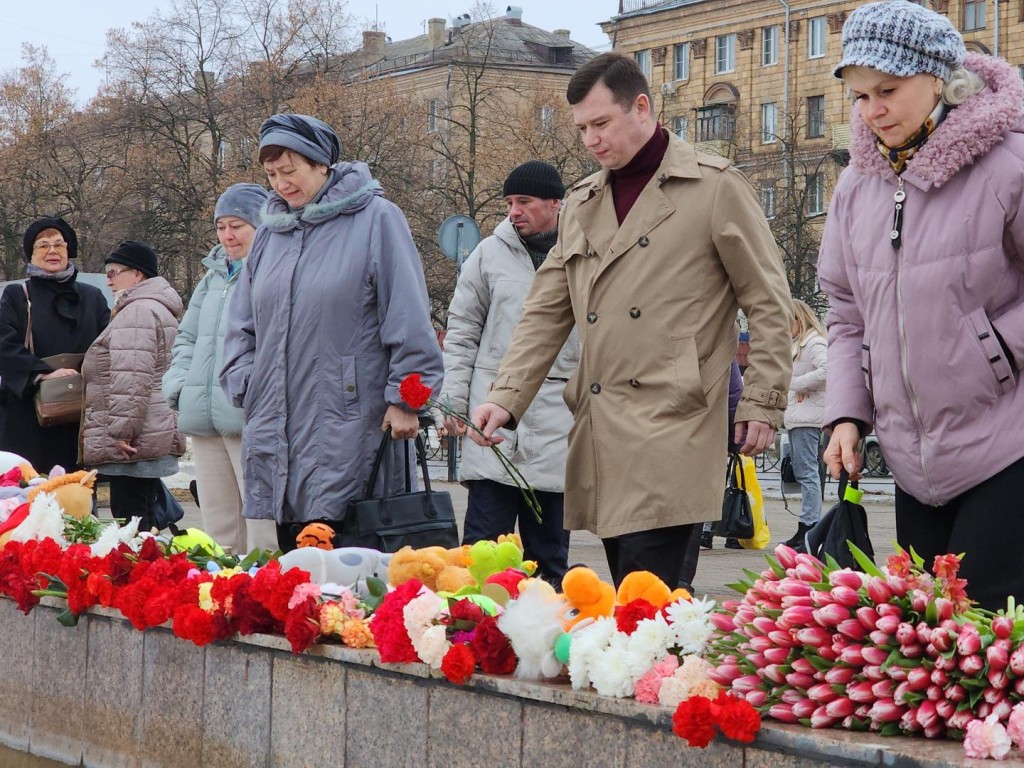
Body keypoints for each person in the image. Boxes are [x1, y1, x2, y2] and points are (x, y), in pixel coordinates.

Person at [470, 53, 793, 587]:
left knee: (652, 602)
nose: (590, 140)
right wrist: (505, 398)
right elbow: (546, 311)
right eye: (581, 129)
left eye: (601, 123)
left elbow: (768, 300)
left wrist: (761, 399)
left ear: (641, 107)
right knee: (628, 602)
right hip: (602, 425)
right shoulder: (581, 202)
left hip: (676, 421)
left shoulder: (714, 186)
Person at [820, 1, 1024, 610]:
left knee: (990, 629)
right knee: (930, 644)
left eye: (887, 90)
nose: (872, 110)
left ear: (940, 77)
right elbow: (846, 313)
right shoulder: (857, 186)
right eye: (859, 96)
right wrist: (848, 415)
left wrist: (995, 349)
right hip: (912, 463)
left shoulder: (1008, 163)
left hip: (1006, 443)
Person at [220, 113, 443, 551]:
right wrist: (247, 381)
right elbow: (241, 325)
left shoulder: (377, 219)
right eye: (271, 175)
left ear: (321, 164)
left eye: (290, 171)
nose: (281, 184)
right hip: (278, 424)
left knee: (353, 573)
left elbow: (410, 316)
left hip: (352, 423)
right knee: (296, 573)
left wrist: (407, 400)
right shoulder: (271, 234)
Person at [442, 160, 578, 584]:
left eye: (524, 201)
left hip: (560, 419)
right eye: (509, 202)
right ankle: (473, 636)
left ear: (556, 203)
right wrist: (455, 403)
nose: (513, 211)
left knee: (550, 558)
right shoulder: (487, 254)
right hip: (492, 423)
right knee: (482, 555)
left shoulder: (583, 251)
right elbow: (462, 332)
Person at [163, 183, 277, 555]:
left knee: (264, 527)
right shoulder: (211, 277)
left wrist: (256, 391)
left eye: (237, 225)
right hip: (206, 419)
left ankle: (268, 595)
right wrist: (180, 384)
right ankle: (224, 600)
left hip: (250, 418)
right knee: (218, 527)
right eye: (220, 226)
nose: (227, 235)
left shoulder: (272, 272)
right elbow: (187, 339)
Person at [82, 241, 185, 530]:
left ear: (137, 275)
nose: (109, 280)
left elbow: (132, 379)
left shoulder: (137, 312)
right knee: (144, 522)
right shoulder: (158, 308)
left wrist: (122, 431)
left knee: (130, 525)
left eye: (114, 272)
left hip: (134, 441)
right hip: (152, 431)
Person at [0, 217, 109, 473]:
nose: (52, 251)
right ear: (31, 255)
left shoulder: (92, 297)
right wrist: (44, 373)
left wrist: (82, 373)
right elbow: (4, 345)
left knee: (76, 497)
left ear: (68, 250)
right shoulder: (17, 296)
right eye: (43, 245)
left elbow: (106, 346)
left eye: (59, 244)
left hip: (80, 415)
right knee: (30, 495)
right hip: (28, 417)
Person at [782, 298, 827, 548]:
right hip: (800, 415)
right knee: (803, 471)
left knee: (807, 472)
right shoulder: (801, 344)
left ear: (799, 319)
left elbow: (827, 370)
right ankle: (808, 524)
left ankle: (810, 524)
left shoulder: (814, 343)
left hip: (807, 416)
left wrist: (798, 384)